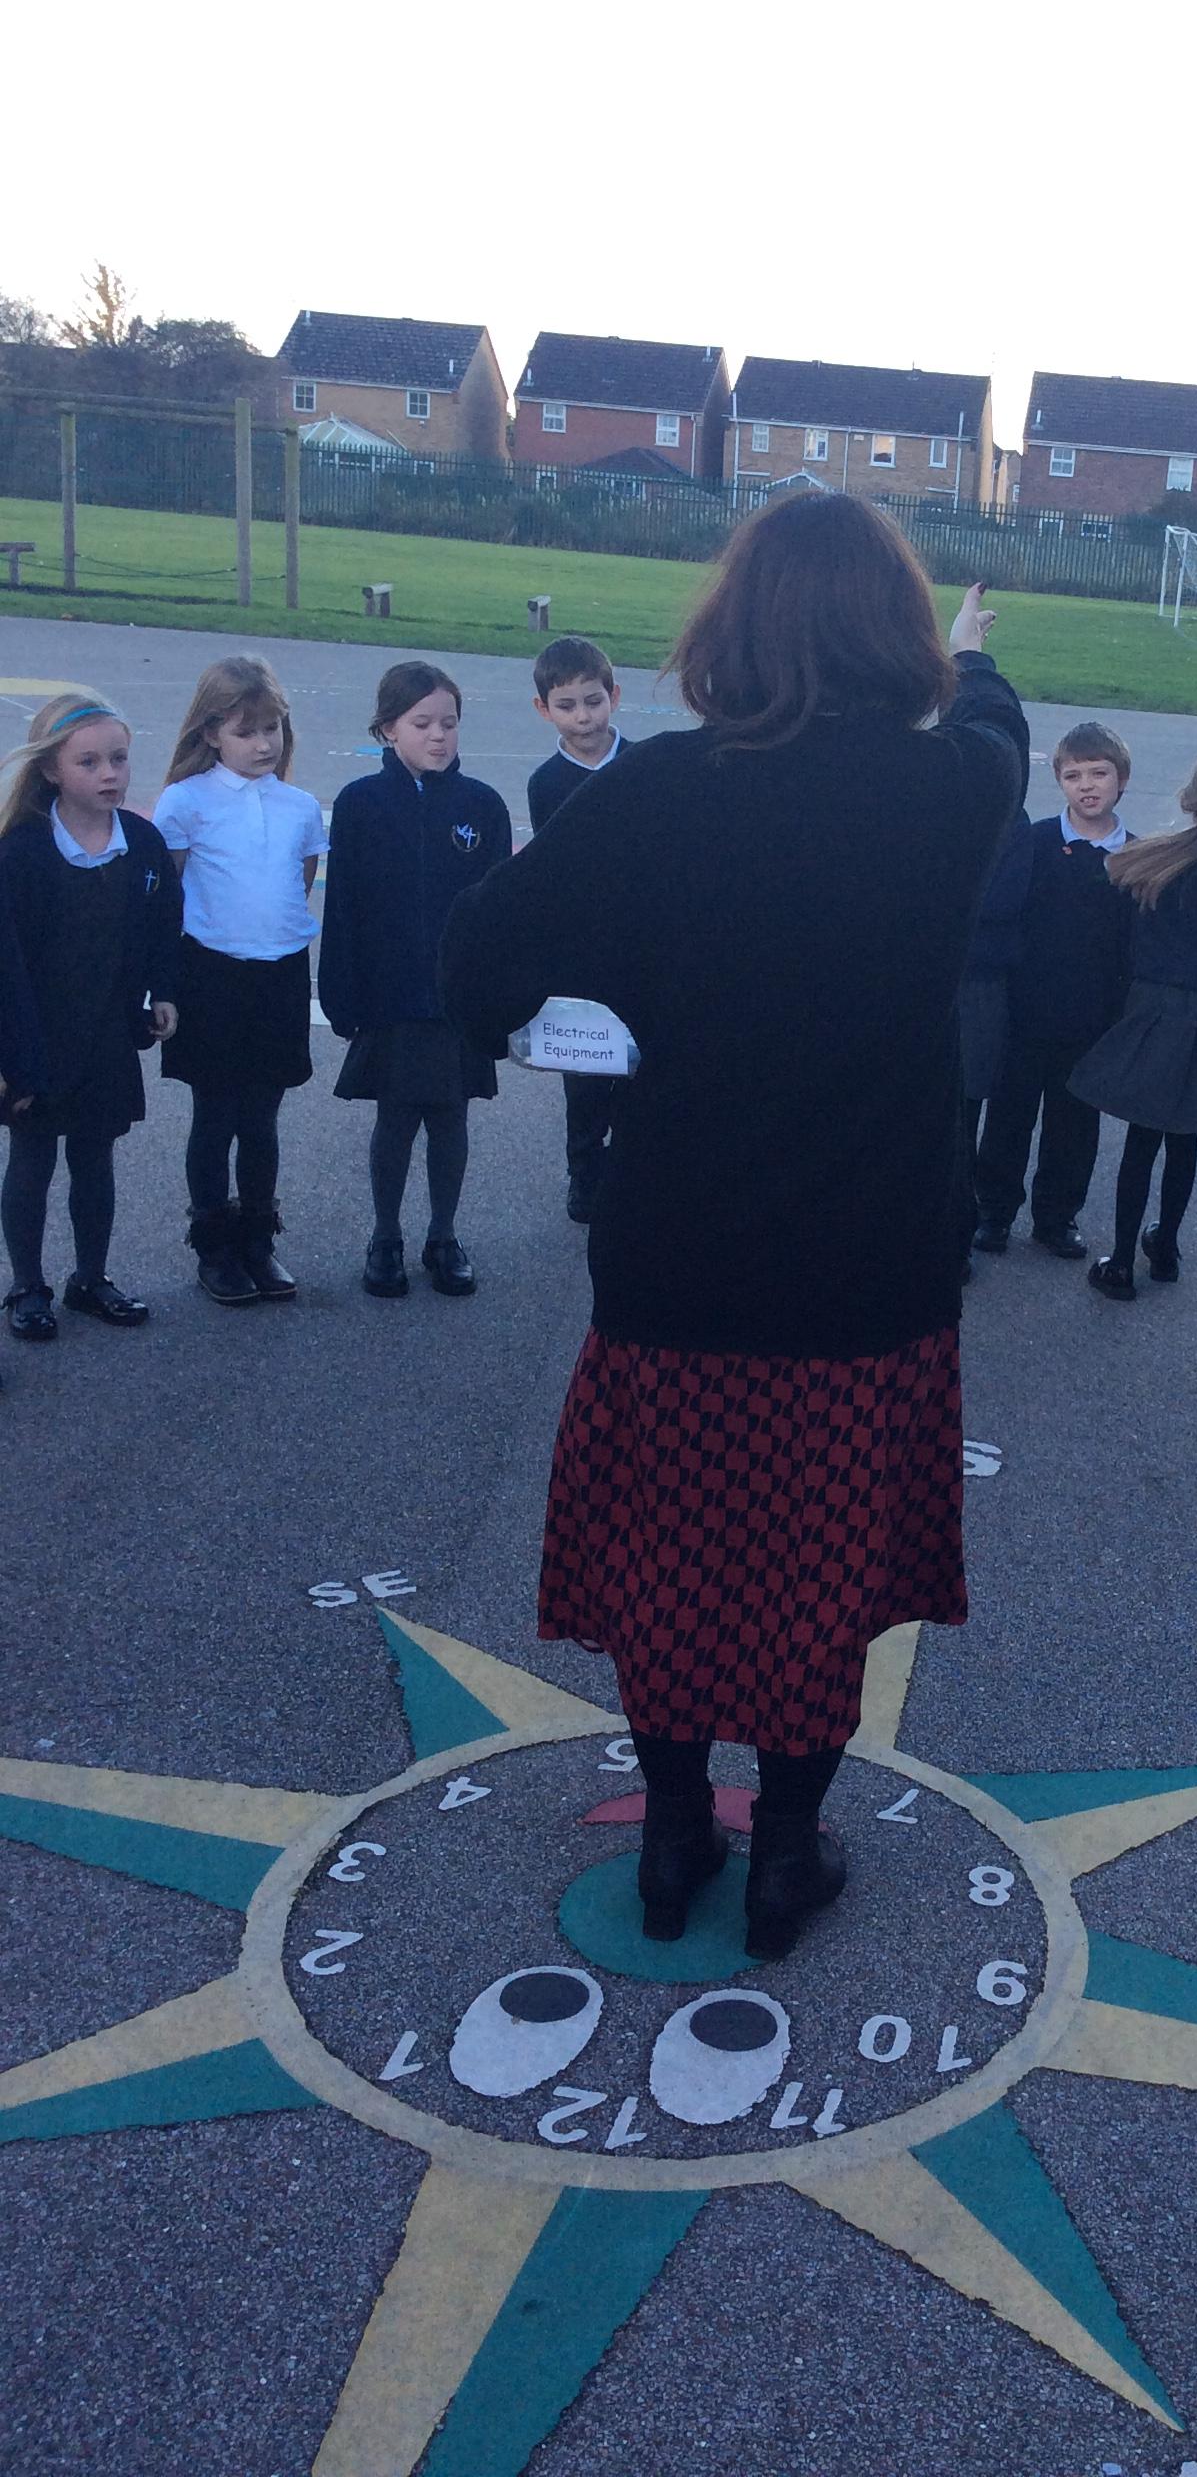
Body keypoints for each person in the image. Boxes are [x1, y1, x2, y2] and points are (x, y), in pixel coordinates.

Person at [441, 502, 1028, 1961]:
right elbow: (992, 723)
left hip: (680, 1253)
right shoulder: (954, 788)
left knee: (673, 1565)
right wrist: (968, 653)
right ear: (895, 635)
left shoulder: (656, 789)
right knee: (821, 1573)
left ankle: (673, 1837)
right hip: (869, 1265)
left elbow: (478, 955)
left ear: (735, 627)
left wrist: (597, 1025)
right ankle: (785, 1853)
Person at [317, 662, 512, 1299]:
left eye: (448, 723)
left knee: (451, 1117)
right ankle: (385, 1237)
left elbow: (498, 913)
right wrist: (340, 991)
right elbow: (342, 906)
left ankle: (443, 1235)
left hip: (456, 998)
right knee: (396, 1117)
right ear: (386, 729)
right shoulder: (360, 804)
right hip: (390, 993)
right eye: (421, 723)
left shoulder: (482, 805)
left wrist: (496, 992)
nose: (437, 735)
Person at [0, 693, 180, 1342]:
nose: (109, 774)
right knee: (32, 1160)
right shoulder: (21, 851)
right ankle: (27, 1285)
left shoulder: (143, 843)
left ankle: (90, 1277)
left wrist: (164, 992)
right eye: (89, 762)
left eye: (119, 759)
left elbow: (164, 926)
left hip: (106, 1032)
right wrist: (9, 1057)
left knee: (95, 1157)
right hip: (36, 1037)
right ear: (51, 769)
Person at [153, 656, 329, 1306]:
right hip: (211, 974)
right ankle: (214, 1246)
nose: (263, 744)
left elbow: (299, 882)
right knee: (216, 1114)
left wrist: (268, 939)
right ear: (210, 733)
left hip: (279, 973)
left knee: (261, 1117)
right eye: (245, 732)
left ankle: (258, 1239)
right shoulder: (186, 801)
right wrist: (163, 984)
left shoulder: (299, 807)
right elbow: (166, 896)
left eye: (271, 729)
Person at [1069, 746, 1197, 1301]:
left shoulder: (1153, 857)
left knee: (1142, 1139)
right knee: (1184, 1139)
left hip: (1152, 1008)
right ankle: (1167, 1247)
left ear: (1190, 795)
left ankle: (1120, 1260)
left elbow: (1126, 944)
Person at [972, 721, 1134, 1260]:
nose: (1087, 785)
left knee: (1075, 1124)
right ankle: (993, 1212)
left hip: (1092, 1018)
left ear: (1121, 779)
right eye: (1073, 775)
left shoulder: (1134, 857)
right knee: (1009, 1117)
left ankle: (1057, 1217)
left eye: (1099, 773)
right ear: (1059, 781)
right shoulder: (1036, 842)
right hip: (1025, 1011)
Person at [526, 634, 634, 1224]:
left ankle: (636, 1166)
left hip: (644, 945)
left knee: (642, 1065)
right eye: (566, 706)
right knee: (587, 1070)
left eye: (593, 701)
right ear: (544, 709)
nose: (583, 716)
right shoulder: (547, 783)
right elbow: (552, 871)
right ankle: (584, 1172)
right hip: (582, 951)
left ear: (613, 696)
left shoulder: (642, 764)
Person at [957, 803, 1033, 1282]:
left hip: (977, 980)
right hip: (920, 979)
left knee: (964, 1111)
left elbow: (1004, 901)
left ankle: (958, 1233)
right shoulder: (918, 806)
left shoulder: (1012, 823)